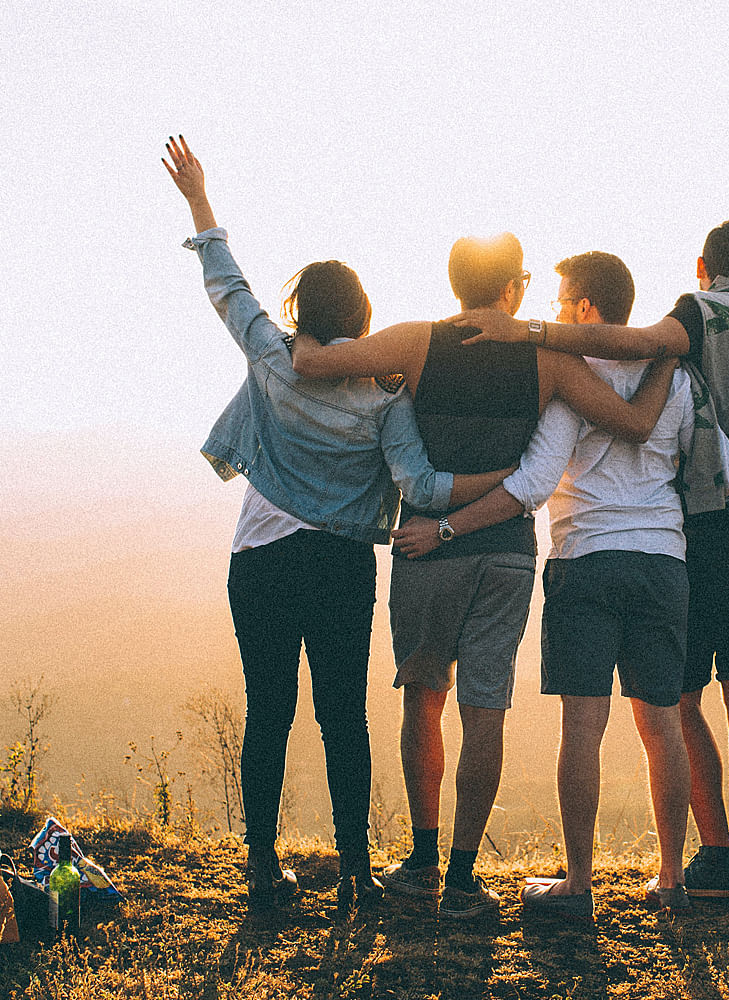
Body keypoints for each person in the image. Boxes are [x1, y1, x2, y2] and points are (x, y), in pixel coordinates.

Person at [393, 252, 729, 920]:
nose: (559, 312)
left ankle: (579, 885)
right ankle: (673, 879)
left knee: (583, 727)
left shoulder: (571, 382)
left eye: (566, 302)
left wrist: (444, 528)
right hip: (663, 566)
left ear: (587, 308)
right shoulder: (674, 380)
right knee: (662, 725)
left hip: (586, 562)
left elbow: (532, 486)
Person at [162, 136, 517, 915]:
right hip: (342, 567)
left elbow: (228, 287)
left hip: (259, 554)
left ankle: (262, 866)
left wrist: (199, 201)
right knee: (342, 717)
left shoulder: (273, 355)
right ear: (361, 316)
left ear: (299, 312)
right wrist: (511, 480)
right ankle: (356, 872)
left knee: (268, 710)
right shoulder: (383, 393)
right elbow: (419, 484)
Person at [290, 237, 677, 918]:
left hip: (424, 551)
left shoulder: (415, 343)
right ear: (511, 292)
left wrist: (301, 336)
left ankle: (421, 861)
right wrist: (670, 353)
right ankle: (465, 879)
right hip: (506, 553)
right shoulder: (547, 360)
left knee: (423, 697)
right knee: (484, 708)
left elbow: (318, 362)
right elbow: (633, 423)